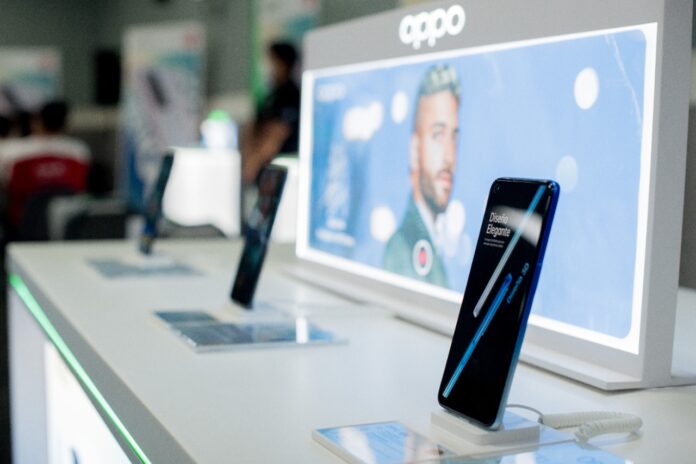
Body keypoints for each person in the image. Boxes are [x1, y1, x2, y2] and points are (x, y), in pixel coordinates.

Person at [383, 64, 460, 287]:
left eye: (454, 138)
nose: (449, 156)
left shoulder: (433, 242)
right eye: (438, 135)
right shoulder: (402, 248)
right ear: (415, 150)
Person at [0, 101, 91, 237]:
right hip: (69, 227)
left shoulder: (10, 152)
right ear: (66, 124)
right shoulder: (80, 152)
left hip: (21, 226)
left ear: (37, 122)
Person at [241, 41, 301, 184]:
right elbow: (253, 127)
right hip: (260, 171)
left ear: (283, 63)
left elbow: (277, 134)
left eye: (271, 60)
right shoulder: (270, 96)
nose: (266, 65)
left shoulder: (290, 95)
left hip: (279, 173)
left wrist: (252, 164)